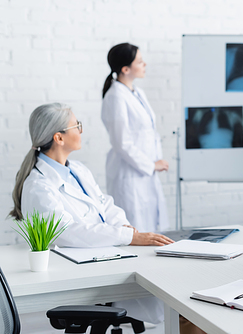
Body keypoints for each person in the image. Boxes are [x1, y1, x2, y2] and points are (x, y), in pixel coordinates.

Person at [9, 103, 173, 248]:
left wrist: (122, 226)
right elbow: (65, 233)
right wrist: (126, 237)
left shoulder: (78, 170)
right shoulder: (38, 187)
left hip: (103, 252)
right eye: (76, 126)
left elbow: (104, 203)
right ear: (59, 138)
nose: (81, 130)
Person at [101, 43, 169, 233]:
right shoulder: (115, 97)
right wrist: (151, 164)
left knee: (150, 230)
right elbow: (121, 142)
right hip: (129, 176)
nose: (144, 64)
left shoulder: (138, 93)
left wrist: (154, 163)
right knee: (135, 232)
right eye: (139, 61)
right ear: (125, 69)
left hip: (144, 174)